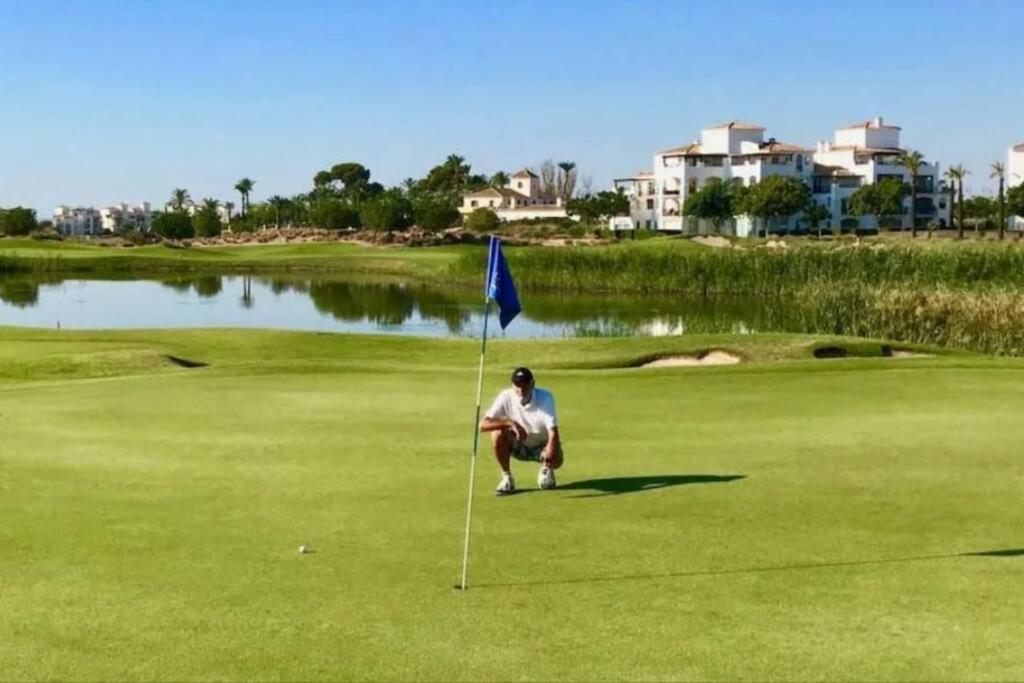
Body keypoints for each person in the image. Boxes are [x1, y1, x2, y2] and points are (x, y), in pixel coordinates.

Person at [479, 367, 563, 495]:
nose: (521, 389)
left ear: (532, 384)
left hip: (541, 448)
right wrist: (510, 423)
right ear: (512, 385)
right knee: (497, 433)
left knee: (556, 460)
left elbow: (553, 432)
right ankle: (507, 478)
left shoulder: (545, 397)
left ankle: (546, 469)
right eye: (517, 385)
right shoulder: (506, 396)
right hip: (518, 445)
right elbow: (483, 425)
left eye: (525, 384)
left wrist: (550, 454)